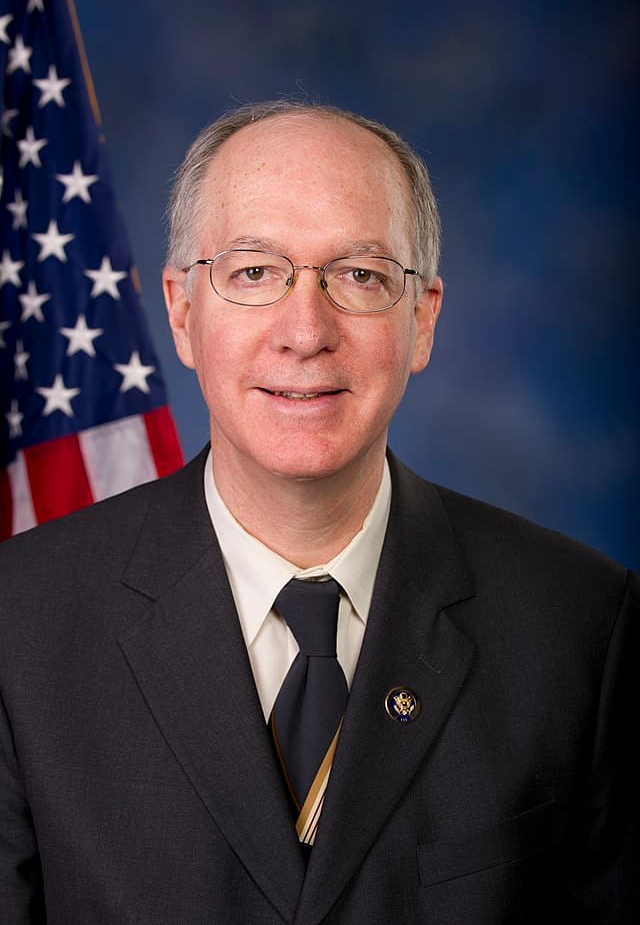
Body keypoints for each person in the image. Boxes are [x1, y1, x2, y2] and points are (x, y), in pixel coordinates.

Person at [0, 101, 637, 925]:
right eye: (255, 272)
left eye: (360, 276)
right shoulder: (19, 623)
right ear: (183, 311)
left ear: (423, 319)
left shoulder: (581, 625)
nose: (305, 331)